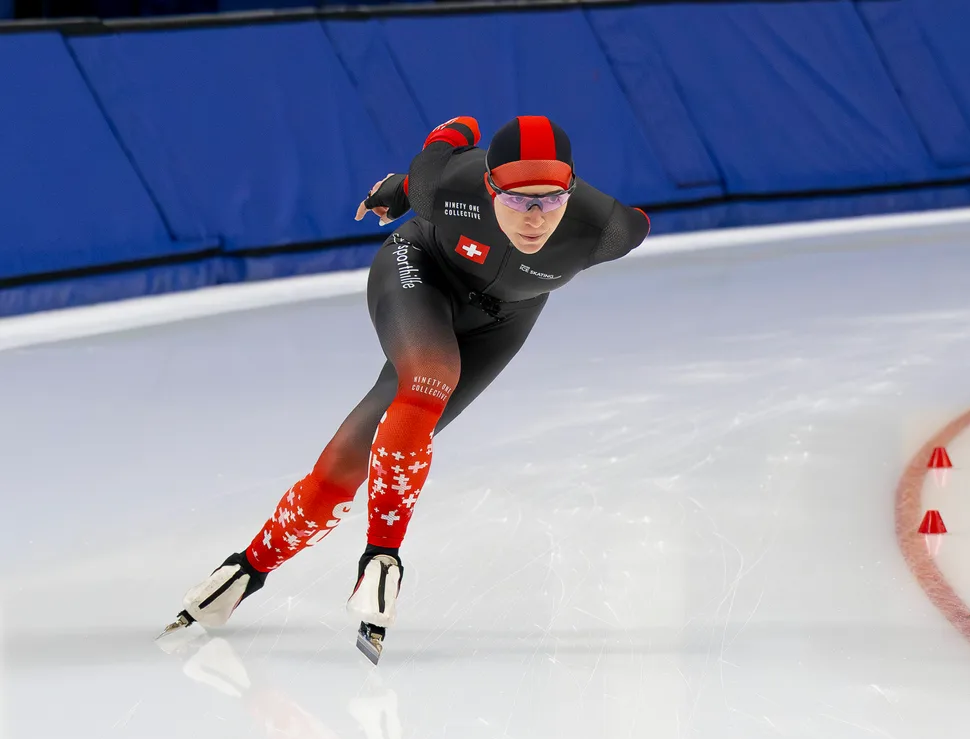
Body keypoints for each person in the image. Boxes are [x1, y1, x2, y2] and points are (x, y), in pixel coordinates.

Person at [161, 115, 651, 661]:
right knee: (429, 377)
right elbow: (438, 151)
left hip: (502, 324)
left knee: (360, 452)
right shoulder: (447, 188)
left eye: (550, 199)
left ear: (572, 188)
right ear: (488, 187)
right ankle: (383, 558)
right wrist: (424, 166)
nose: (534, 219)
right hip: (419, 272)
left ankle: (245, 570)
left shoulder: (609, 228)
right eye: (516, 200)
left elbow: (633, 220)